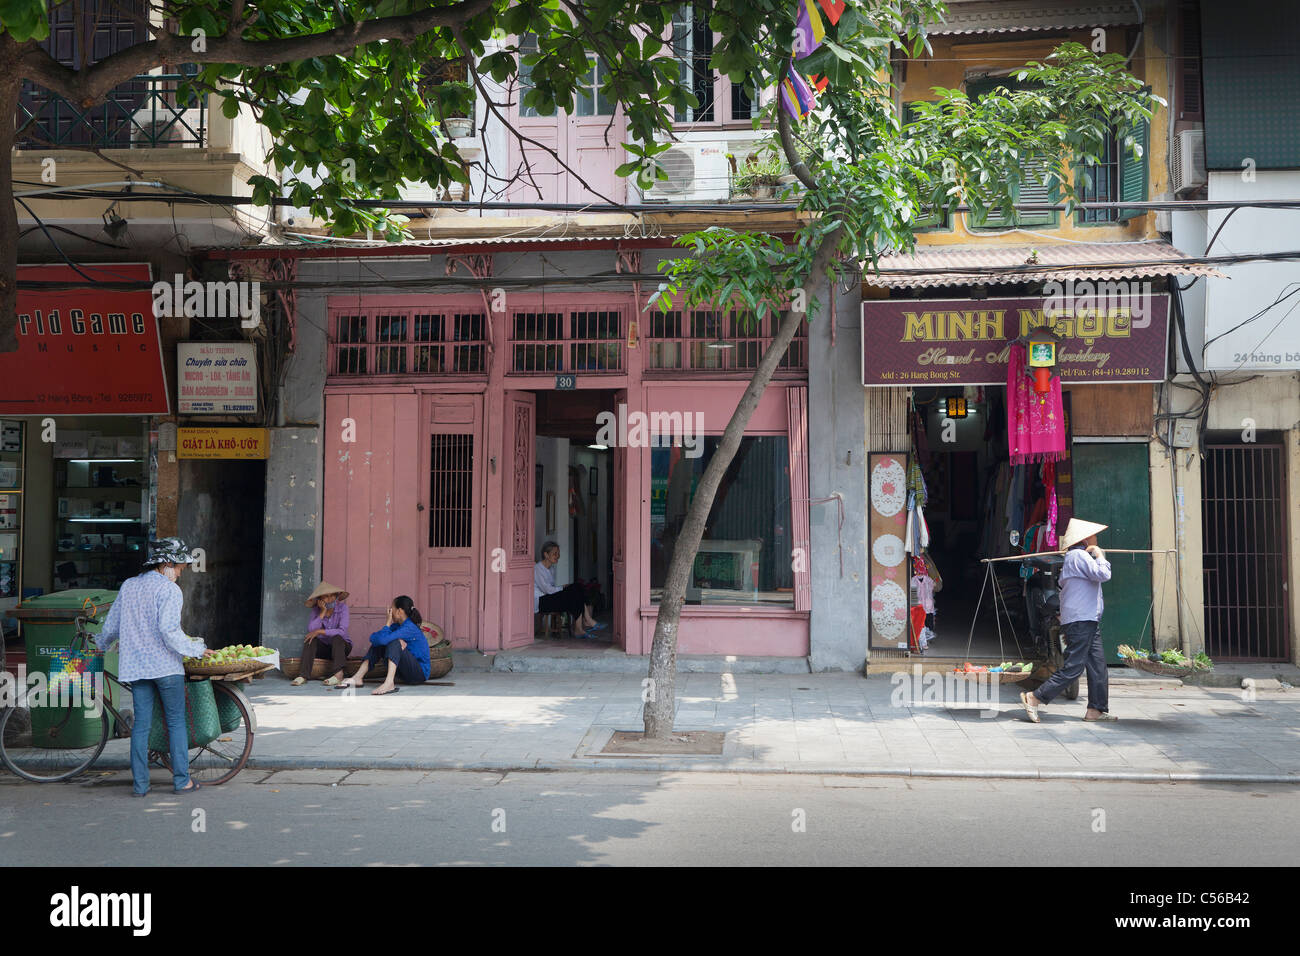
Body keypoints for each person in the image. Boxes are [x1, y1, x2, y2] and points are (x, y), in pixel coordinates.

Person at [95, 537, 211, 796]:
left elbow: (111, 626)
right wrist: (197, 650)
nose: (180, 573)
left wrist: (100, 645)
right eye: (179, 567)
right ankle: (182, 782)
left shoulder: (129, 586)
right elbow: (169, 632)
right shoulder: (169, 590)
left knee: (141, 726)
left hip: (136, 667)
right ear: (166, 564)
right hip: (165, 667)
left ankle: (140, 786)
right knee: (176, 722)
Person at [1021, 518, 1116, 723]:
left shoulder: (1079, 557)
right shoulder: (1078, 556)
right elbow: (1103, 573)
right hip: (1081, 620)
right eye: (1093, 535)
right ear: (1085, 538)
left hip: (1089, 619)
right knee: (1074, 668)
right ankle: (1035, 697)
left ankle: (1095, 710)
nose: (1096, 538)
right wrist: (1100, 555)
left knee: (1098, 666)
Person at [339, 596, 430, 695]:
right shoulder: (397, 626)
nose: (389, 612)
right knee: (381, 643)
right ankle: (358, 677)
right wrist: (387, 624)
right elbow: (375, 639)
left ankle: (389, 683)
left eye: (392, 609)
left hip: (418, 674)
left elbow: (383, 639)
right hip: (404, 672)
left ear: (399, 611)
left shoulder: (409, 627)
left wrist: (388, 624)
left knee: (393, 642)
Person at [534, 541, 601, 637]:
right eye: (555, 553)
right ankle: (586, 622)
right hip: (542, 602)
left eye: (558, 553)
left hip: (549, 598)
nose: (558, 556)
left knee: (576, 588)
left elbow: (552, 589)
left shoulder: (551, 569)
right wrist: (562, 588)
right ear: (546, 554)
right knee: (574, 589)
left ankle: (582, 626)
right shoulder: (538, 568)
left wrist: (563, 588)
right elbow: (546, 590)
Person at [294, 582, 351, 686]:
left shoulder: (343, 608)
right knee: (310, 639)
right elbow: (311, 629)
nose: (331, 599)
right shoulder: (316, 610)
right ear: (320, 600)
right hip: (324, 649)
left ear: (337, 596)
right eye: (326, 596)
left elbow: (342, 631)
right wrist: (322, 612)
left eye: (333, 595)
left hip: (341, 648)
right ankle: (303, 675)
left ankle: (339, 675)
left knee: (337, 637)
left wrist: (320, 631)